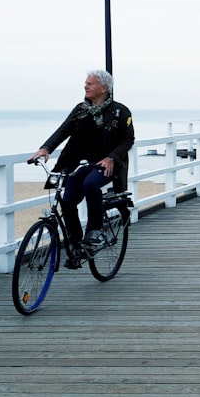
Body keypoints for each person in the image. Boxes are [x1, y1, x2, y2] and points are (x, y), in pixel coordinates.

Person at [28, 70, 134, 265]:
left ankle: (95, 231)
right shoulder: (80, 110)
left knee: (91, 184)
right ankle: (77, 244)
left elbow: (128, 139)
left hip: (106, 163)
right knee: (67, 201)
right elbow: (63, 130)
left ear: (104, 88)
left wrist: (111, 158)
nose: (86, 86)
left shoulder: (120, 111)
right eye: (85, 83)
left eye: (90, 84)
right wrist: (46, 148)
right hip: (79, 163)